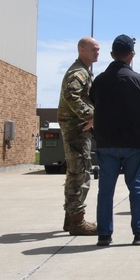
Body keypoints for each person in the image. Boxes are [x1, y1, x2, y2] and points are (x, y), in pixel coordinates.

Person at [90, 35, 140, 246]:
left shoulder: (99, 80)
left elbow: (93, 102)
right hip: (133, 142)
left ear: (112, 55)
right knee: (136, 187)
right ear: (131, 55)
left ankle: (104, 234)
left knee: (106, 189)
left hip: (106, 141)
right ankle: (139, 232)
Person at [57, 36, 100, 236]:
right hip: (77, 128)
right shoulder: (78, 73)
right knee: (79, 175)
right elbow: (70, 95)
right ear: (81, 49)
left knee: (75, 173)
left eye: (98, 50)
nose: (97, 52)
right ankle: (77, 222)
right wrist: (91, 116)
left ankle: (70, 219)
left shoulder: (83, 71)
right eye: (94, 49)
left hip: (77, 127)